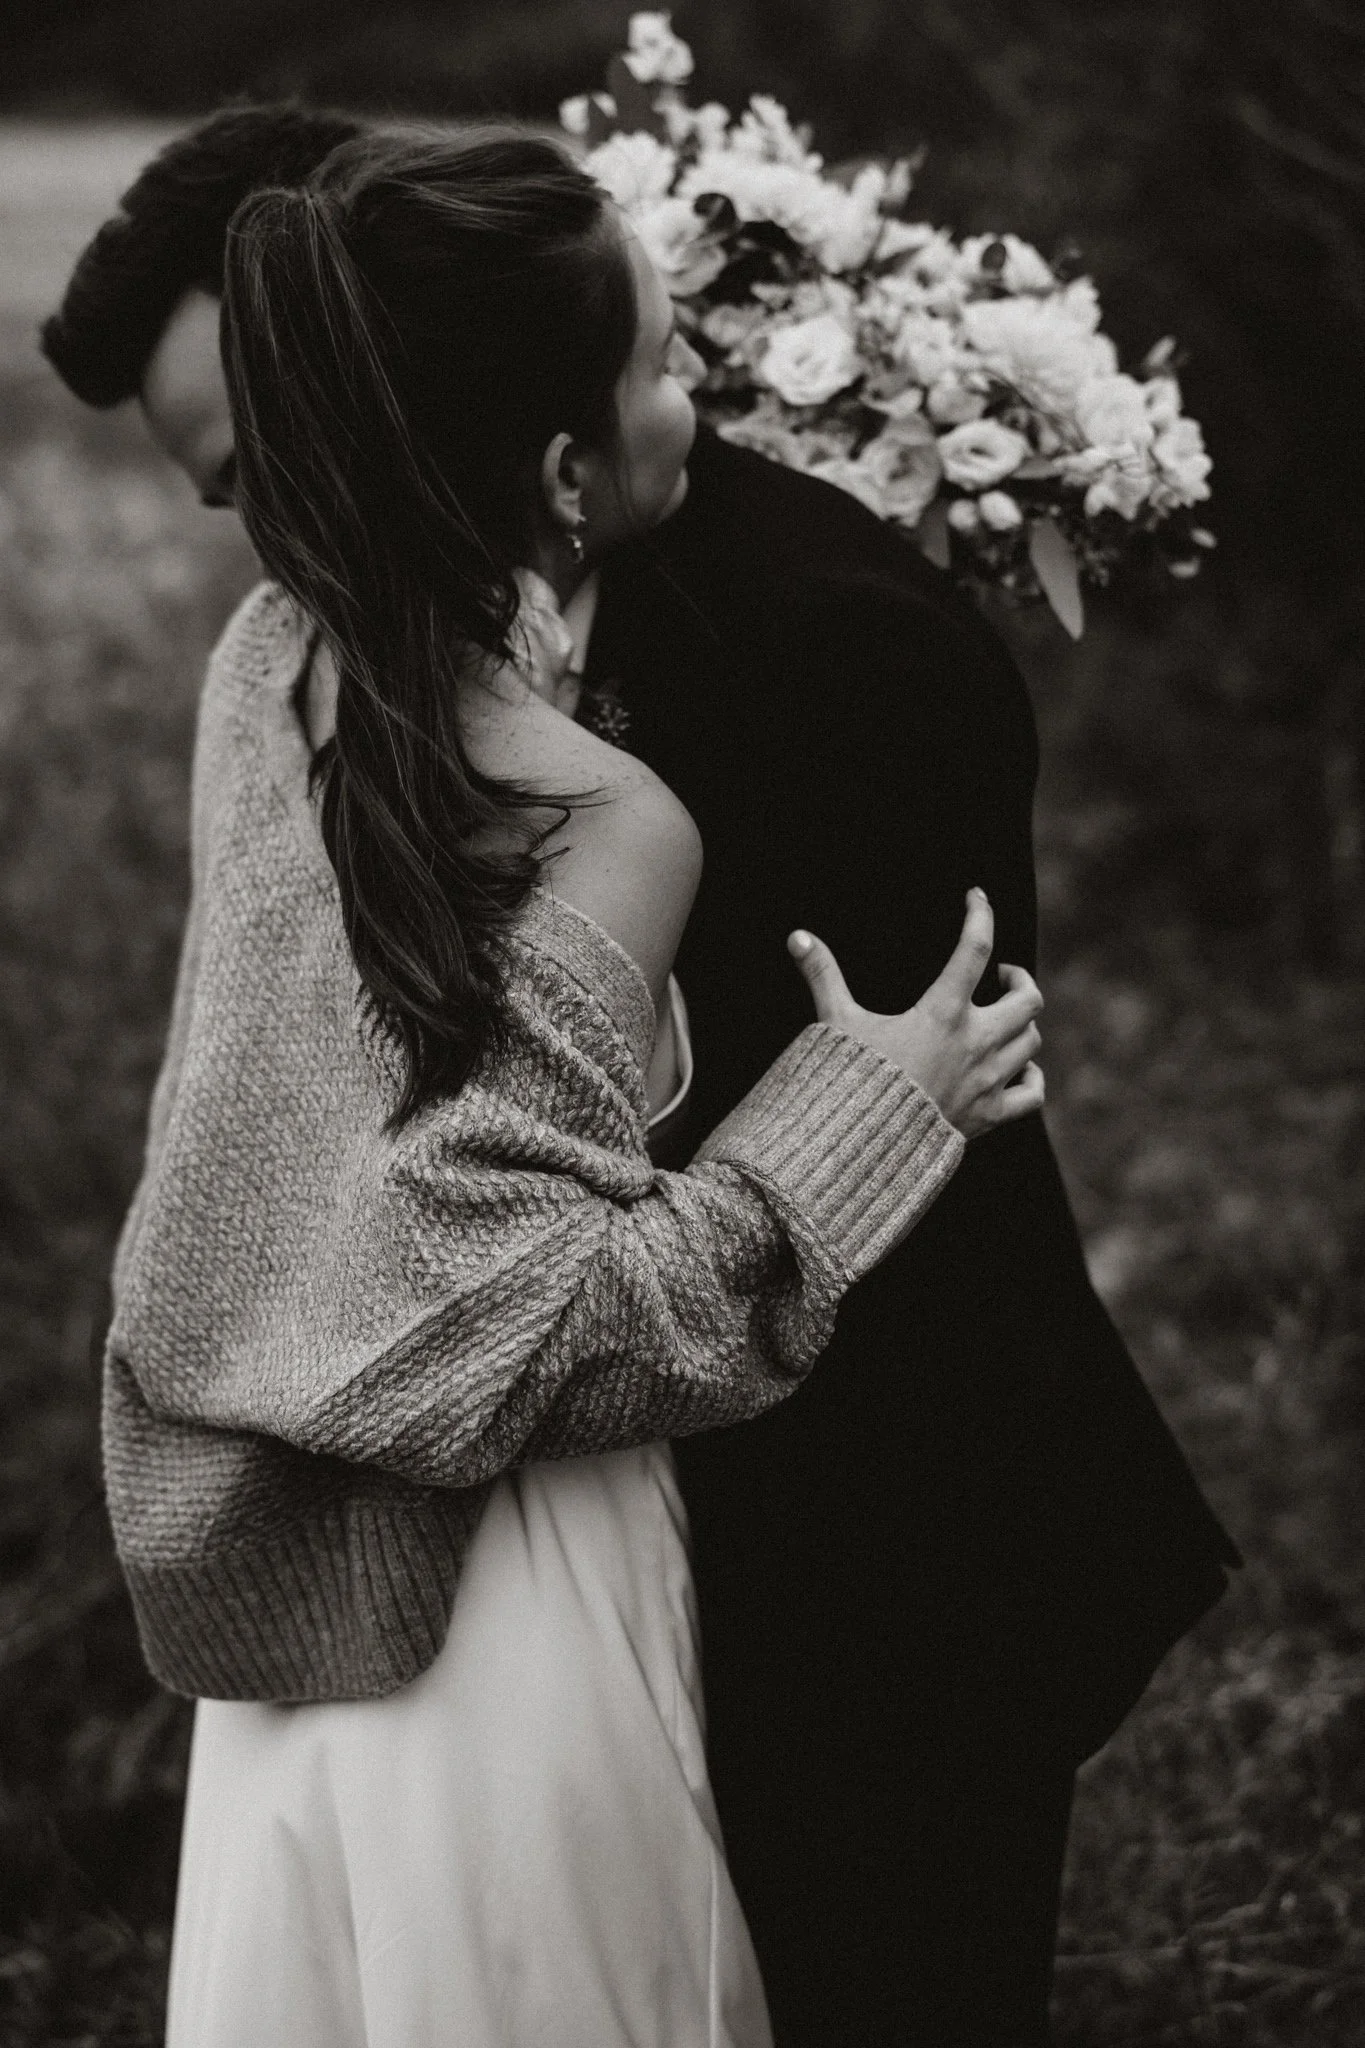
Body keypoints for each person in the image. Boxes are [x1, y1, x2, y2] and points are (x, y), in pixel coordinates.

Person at [43, 104, 1238, 2048]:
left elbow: (923, 1288)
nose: (279, 524)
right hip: (493, 1573)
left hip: (867, 1581)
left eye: (275, 456)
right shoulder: (312, 685)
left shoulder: (820, 661)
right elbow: (416, 1272)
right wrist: (850, 1124)